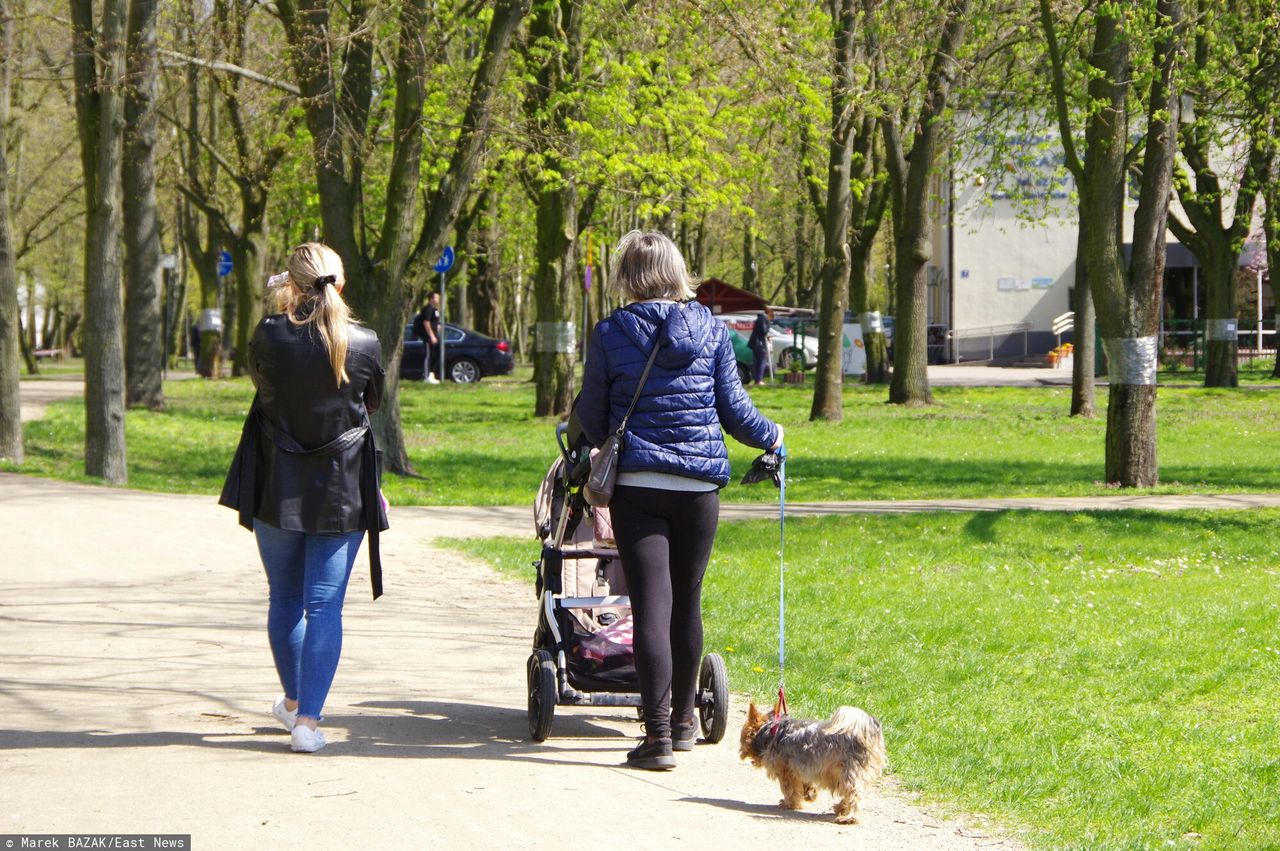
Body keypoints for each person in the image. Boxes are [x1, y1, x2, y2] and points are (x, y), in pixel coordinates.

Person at [576, 230, 783, 771]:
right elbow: (736, 412)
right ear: (677, 270)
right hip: (698, 491)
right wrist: (773, 436)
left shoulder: (609, 331)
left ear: (627, 275)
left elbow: (594, 420)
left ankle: (658, 737)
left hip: (639, 487)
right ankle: (688, 723)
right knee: (687, 603)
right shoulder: (710, 329)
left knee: (651, 608)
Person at [218, 242, 388, 754]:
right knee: (324, 606)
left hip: (277, 485)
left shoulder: (269, 336)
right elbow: (371, 403)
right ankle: (307, 724)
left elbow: (262, 385)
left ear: (292, 282)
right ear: (342, 282)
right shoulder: (364, 342)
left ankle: (293, 702)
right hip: (341, 490)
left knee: (286, 598)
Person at [414, 292, 441, 384]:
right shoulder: (428, 309)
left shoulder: (435, 309)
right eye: (436, 298)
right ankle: (426, 376)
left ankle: (431, 374)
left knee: (435, 354)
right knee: (428, 355)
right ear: (431, 299)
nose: (438, 299)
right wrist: (431, 336)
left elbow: (435, 322)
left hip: (435, 335)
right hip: (428, 337)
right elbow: (426, 322)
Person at [748, 308, 772, 385]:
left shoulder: (759, 319)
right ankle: (759, 380)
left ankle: (756, 379)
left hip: (755, 344)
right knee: (762, 361)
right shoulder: (763, 320)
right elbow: (764, 331)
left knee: (756, 362)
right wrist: (768, 326)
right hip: (760, 344)